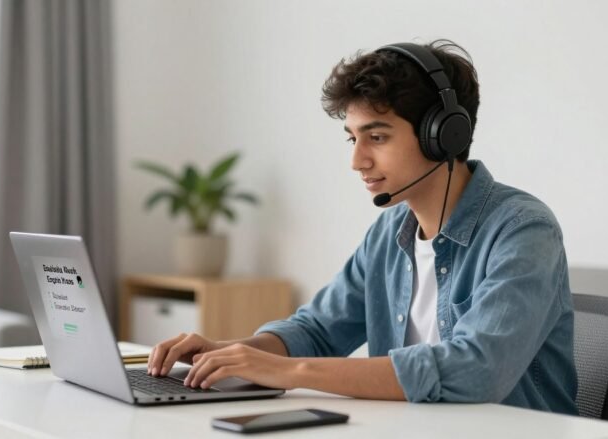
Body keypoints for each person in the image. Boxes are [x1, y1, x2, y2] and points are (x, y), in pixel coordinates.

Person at [147, 39, 578, 415]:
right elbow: (316, 331)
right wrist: (231, 353)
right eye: (353, 138)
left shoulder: (523, 229)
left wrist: (288, 371)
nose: (357, 161)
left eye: (378, 137)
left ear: (443, 135)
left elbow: (476, 370)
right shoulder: (389, 233)